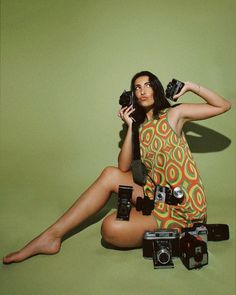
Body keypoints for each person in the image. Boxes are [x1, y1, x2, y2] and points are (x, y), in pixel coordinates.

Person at [2, 71, 231, 264]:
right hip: (156, 198)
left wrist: (191, 86)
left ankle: (184, 232)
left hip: (182, 207)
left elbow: (223, 105)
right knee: (110, 174)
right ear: (133, 96)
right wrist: (131, 126)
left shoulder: (175, 114)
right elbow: (122, 168)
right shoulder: (140, 128)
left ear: (157, 89)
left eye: (148, 85)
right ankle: (52, 236)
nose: (142, 90)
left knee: (109, 229)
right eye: (137, 87)